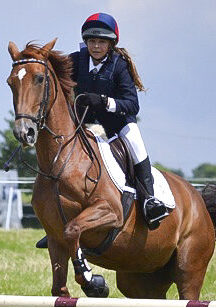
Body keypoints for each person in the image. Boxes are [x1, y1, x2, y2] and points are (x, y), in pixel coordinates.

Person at [74, 13, 168, 230]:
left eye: (101, 42)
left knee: (137, 147)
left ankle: (150, 202)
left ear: (111, 43)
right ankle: (56, 222)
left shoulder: (119, 65)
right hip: (86, 125)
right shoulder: (76, 60)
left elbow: (132, 105)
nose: (96, 46)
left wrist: (105, 102)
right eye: (91, 41)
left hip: (118, 124)